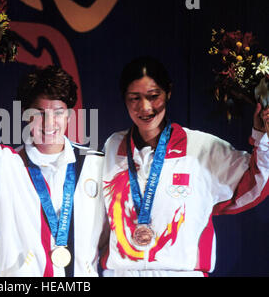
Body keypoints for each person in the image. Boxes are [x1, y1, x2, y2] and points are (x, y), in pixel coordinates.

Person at [100, 56, 269, 277]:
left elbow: (254, 183)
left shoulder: (202, 148)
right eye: (134, 98)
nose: (145, 107)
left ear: (168, 92)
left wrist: (262, 136)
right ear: (124, 98)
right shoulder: (113, 147)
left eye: (154, 96)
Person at [0, 54, 108, 277]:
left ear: (69, 115)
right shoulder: (7, 167)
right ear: (25, 114)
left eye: (58, 113)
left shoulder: (95, 164)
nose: (50, 123)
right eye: (39, 113)